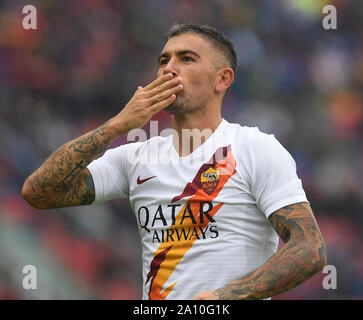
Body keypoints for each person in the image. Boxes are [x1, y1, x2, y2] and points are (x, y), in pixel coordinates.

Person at [22, 24, 327, 300]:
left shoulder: (254, 148)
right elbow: (39, 193)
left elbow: (309, 249)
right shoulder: (135, 156)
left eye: (186, 59)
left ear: (223, 79)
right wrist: (115, 126)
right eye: (163, 60)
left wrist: (223, 297)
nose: (169, 68)